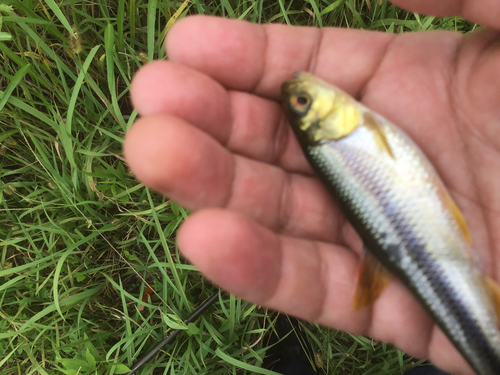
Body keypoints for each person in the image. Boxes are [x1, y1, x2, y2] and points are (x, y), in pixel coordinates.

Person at [123, 1, 500, 374]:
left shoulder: (350, 135)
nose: (303, 93)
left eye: (301, 102)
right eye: (305, 101)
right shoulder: (353, 135)